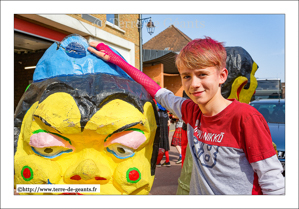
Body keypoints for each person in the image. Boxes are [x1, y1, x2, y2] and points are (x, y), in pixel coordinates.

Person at [88, 37, 285, 195]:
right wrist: (115, 59)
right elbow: (157, 91)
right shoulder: (192, 112)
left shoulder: (245, 117)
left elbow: (272, 180)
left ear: (222, 76)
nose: (194, 84)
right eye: (187, 76)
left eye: (202, 74)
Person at [156, 103, 171, 167]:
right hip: (165, 133)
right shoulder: (166, 115)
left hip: (159, 132)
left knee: (158, 145)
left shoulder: (157, 114)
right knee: (165, 145)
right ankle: (167, 161)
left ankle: (158, 162)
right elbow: (169, 124)